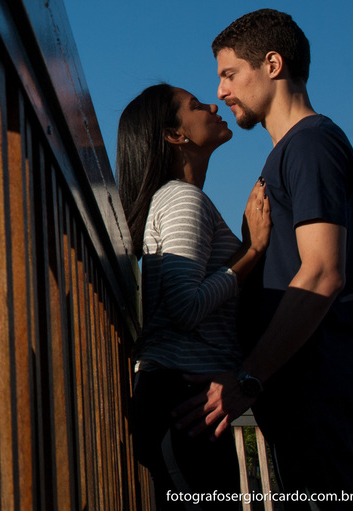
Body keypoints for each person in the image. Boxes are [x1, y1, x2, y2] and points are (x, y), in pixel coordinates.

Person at [175, 8, 353, 507]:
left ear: (273, 65)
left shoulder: (311, 145)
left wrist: (248, 377)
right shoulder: (288, 154)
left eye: (229, 74)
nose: (221, 91)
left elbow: (323, 271)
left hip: (317, 395)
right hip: (298, 397)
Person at [117, 83, 272, 509]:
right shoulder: (183, 199)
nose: (212, 104)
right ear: (175, 135)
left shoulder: (177, 199)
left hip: (185, 404)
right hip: (183, 402)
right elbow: (186, 308)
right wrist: (254, 251)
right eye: (195, 105)